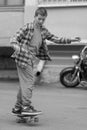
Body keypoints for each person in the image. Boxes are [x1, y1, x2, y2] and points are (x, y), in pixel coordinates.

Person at [10, 7, 78, 115]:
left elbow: (55, 39)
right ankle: (26, 106)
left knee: (25, 83)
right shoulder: (28, 27)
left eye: (43, 19)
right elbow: (14, 39)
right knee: (29, 82)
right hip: (23, 58)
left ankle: (18, 107)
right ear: (35, 17)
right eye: (39, 19)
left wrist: (70, 39)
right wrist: (17, 47)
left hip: (31, 59)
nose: (41, 21)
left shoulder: (43, 30)